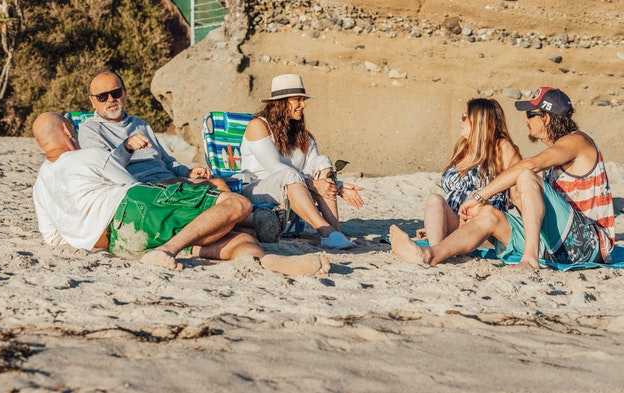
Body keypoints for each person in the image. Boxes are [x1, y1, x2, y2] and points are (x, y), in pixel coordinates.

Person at [32, 112, 331, 276]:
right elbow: (135, 190)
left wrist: (90, 235)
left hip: (120, 243)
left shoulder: (40, 185)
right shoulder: (91, 157)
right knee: (236, 204)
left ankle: (262, 261)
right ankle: (168, 250)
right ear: (66, 130)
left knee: (232, 239)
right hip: (132, 208)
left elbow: (53, 239)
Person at [390, 87, 615, 270]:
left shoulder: (577, 141)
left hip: (588, 243)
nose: (526, 121)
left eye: (530, 114)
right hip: (556, 246)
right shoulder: (557, 153)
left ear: (545, 118)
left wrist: (480, 195)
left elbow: (529, 166)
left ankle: (529, 260)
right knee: (489, 215)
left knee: (525, 174)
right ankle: (430, 254)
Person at [240, 74, 365, 250]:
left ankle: (335, 233)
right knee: (288, 174)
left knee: (323, 161)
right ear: (281, 102)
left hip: (294, 185)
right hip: (257, 189)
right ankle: (327, 232)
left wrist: (339, 185)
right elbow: (275, 168)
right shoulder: (258, 126)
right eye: (298, 100)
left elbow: (315, 169)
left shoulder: (301, 135)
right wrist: (314, 185)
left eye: (303, 100)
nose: (303, 105)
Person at [78, 71, 228, 190]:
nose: (111, 99)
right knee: (219, 187)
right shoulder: (90, 129)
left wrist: (188, 172)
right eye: (102, 96)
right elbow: (103, 171)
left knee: (219, 185)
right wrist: (126, 147)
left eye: (116, 93)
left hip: (172, 183)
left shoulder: (139, 124)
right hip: (148, 191)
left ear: (125, 93)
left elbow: (166, 160)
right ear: (92, 101)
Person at [414, 98, 521, 246]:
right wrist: (436, 225)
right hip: (456, 223)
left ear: (479, 121)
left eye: (465, 117)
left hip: (483, 225)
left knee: (473, 196)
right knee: (434, 199)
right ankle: (436, 249)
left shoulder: (501, 147)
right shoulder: (463, 148)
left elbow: (519, 184)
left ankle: (440, 247)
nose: (460, 120)